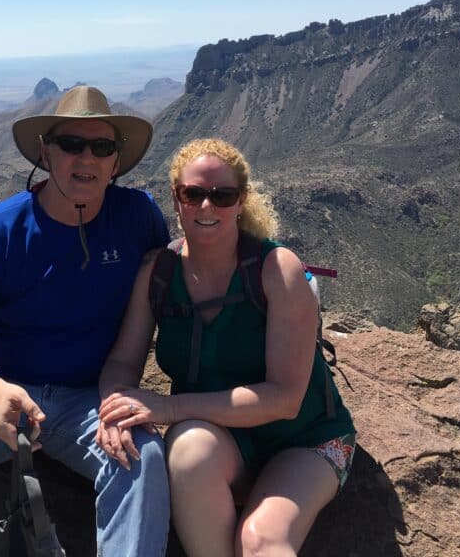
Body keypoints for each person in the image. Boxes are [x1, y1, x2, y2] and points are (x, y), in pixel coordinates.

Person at [0, 85, 172, 557]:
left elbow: (174, 287)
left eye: (101, 147)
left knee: (141, 455)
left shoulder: (139, 218)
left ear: (115, 161)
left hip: (92, 401)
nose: (86, 157)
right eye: (71, 144)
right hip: (5, 398)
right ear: (46, 153)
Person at [98, 138, 356, 557]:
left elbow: (285, 400)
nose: (206, 207)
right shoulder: (158, 272)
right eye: (193, 194)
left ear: (241, 201)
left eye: (222, 196)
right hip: (221, 440)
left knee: (259, 542)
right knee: (186, 452)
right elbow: (124, 360)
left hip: (304, 439)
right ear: (176, 199)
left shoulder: (278, 271)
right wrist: (113, 408)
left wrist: (170, 408)